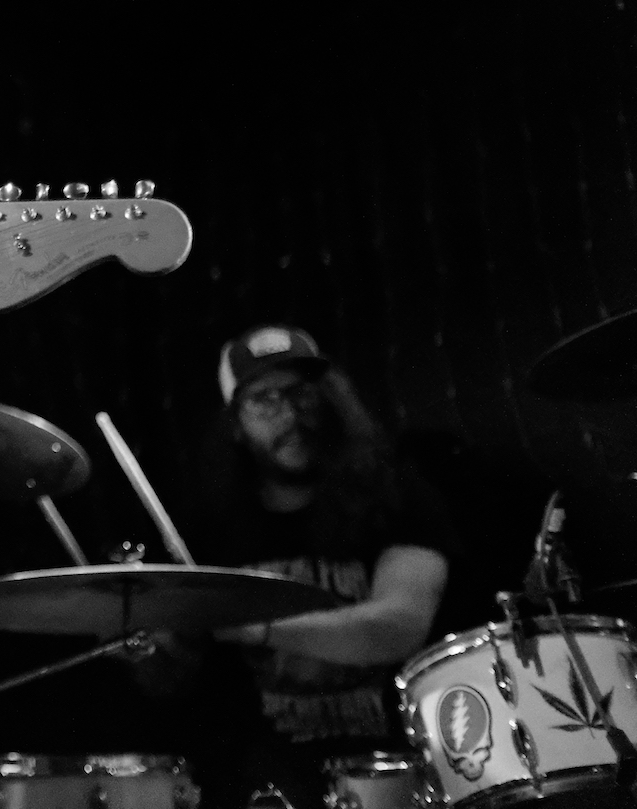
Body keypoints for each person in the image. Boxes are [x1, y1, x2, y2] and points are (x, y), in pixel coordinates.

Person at [176, 325, 457, 809]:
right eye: (264, 400)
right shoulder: (208, 530)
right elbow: (173, 682)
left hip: (398, 774)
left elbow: (398, 626)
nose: (290, 414)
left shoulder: (396, 496)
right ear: (235, 424)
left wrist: (256, 628)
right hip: (262, 784)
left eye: (301, 393)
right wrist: (149, 651)